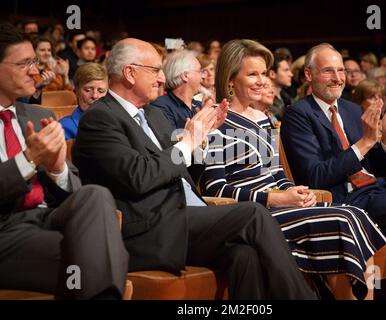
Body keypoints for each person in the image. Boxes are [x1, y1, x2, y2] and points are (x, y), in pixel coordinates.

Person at [73, 38, 317, 300]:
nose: (162, 79)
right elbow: (138, 177)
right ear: (130, 73)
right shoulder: (100, 118)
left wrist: (203, 140)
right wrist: (187, 144)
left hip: (186, 217)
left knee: (244, 254)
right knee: (253, 215)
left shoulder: (154, 115)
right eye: (155, 70)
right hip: (148, 229)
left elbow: (183, 168)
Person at [202, 39, 386, 300]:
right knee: (340, 221)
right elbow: (214, 188)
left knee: (355, 214)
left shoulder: (263, 118)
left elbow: (276, 174)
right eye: (252, 74)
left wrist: (296, 191)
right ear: (231, 80)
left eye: (264, 73)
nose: (262, 81)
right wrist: (275, 198)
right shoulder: (216, 120)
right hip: (253, 217)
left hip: (282, 206)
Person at [281, 43, 386, 261]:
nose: (338, 78)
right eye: (328, 71)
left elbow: (382, 170)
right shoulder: (298, 114)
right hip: (350, 200)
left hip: (382, 187)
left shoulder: (351, 109)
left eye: (341, 70)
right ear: (308, 74)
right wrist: (366, 142)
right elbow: (316, 177)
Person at [0, 23, 128, 300]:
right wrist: (28, 159)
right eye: (24, 64)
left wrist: (58, 168)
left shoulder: (37, 115)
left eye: (34, 62)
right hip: (5, 231)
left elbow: (67, 188)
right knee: (101, 254)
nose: (35, 71)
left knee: (94, 194)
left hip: (45, 217)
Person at [151, 50, 204, 130]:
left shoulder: (199, 105)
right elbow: (170, 141)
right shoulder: (160, 107)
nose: (203, 76)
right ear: (185, 76)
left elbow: (219, 141)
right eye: (199, 71)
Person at [59, 63, 108, 140]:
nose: (94, 96)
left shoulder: (117, 123)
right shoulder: (62, 127)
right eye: (88, 90)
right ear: (76, 91)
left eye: (101, 91)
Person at [30, 35, 73, 104]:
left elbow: (69, 96)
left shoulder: (55, 68)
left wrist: (65, 76)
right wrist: (53, 72)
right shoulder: (30, 71)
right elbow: (33, 96)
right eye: (42, 50)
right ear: (33, 52)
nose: (47, 53)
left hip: (60, 107)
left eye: (49, 50)